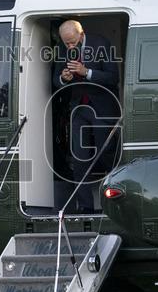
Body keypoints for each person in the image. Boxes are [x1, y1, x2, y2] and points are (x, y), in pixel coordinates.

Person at [51, 20, 120, 213]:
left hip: (102, 107)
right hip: (78, 108)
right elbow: (55, 80)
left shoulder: (101, 44)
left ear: (81, 35)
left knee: (106, 153)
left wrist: (86, 72)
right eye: (67, 43)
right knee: (79, 159)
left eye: (73, 42)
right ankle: (86, 207)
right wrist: (64, 78)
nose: (70, 46)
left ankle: (115, 204)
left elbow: (113, 78)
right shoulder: (61, 49)